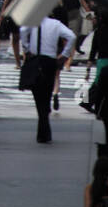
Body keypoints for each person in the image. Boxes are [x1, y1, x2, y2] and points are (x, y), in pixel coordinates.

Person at [19, 12, 76, 143]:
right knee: (46, 93)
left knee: (38, 96)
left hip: (36, 59)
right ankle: (44, 125)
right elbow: (71, 36)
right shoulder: (56, 24)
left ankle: (43, 126)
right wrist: (65, 54)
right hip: (50, 62)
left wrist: (26, 49)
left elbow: (22, 30)